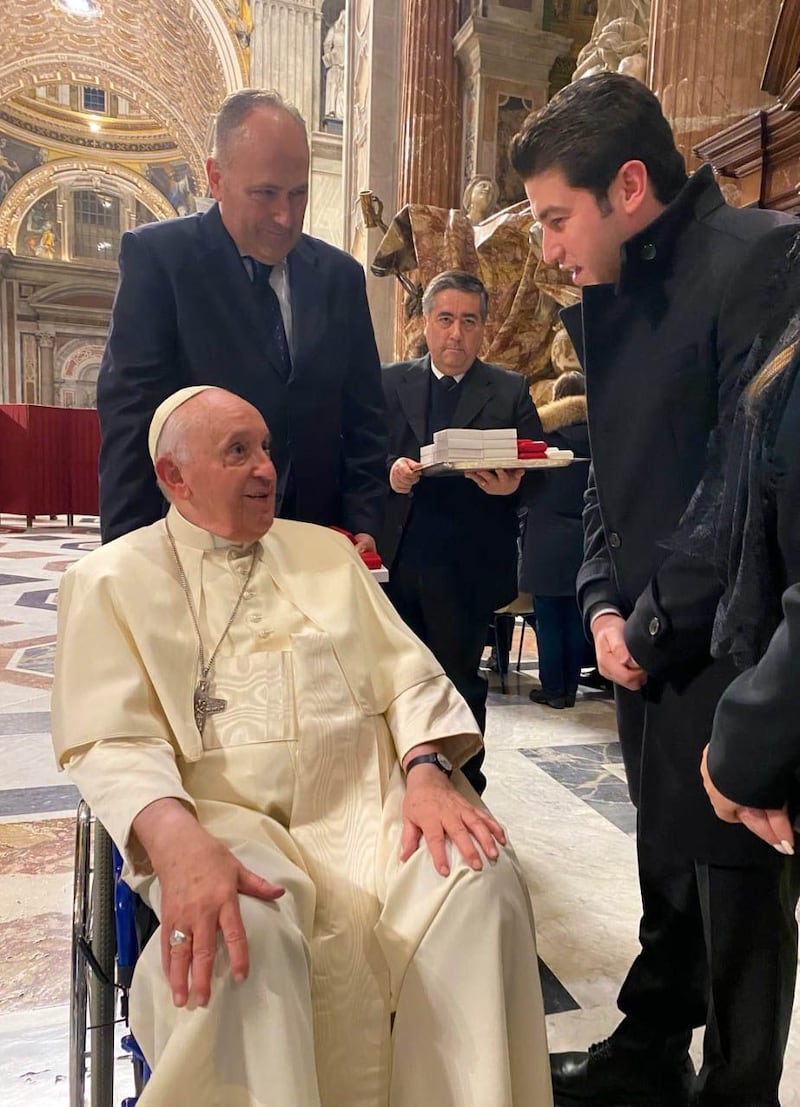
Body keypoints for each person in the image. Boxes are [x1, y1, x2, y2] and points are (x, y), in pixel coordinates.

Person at [52, 385, 553, 1107]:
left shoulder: (325, 552)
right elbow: (111, 737)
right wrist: (174, 838)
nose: (265, 469)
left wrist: (426, 768)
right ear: (174, 477)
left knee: (480, 883)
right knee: (238, 934)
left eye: (265, 449)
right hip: (221, 822)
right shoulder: (106, 581)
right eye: (237, 452)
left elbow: (406, 676)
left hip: (371, 805)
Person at [510, 71, 796, 1106]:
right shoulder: (607, 285)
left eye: (553, 218)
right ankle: (646, 1053)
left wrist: (650, 614)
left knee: (734, 895)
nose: (545, 248)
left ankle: (736, 1086)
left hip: (726, 640)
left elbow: (740, 481)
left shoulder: (757, 259)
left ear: (627, 186)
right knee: (664, 863)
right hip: (640, 635)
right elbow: (607, 473)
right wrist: (594, 601)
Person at [97, 88, 386, 551]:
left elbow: (366, 418)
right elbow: (132, 420)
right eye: (266, 193)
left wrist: (366, 521)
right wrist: (130, 554)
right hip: (199, 542)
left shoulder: (340, 278)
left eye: (298, 194)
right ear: (216, 177)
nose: (285, 216)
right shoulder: (161, 260)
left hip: (318, 543)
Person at [379, 270, 543, 796]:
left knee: (458, 681)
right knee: (397, 681)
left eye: (468, 321)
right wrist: (390, 472)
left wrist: (508, 492)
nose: (456, 334)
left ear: (483, 329)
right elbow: (359, 456)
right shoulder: (390, 382)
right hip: (398, 560)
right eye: (445, 319)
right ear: (425, 324)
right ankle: (401, 786)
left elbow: (537, 474)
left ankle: (466, 786)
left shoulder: (509, 390)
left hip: (468, 563)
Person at [520, 370, 590, 710]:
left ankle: (552, 688)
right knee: (575, 617)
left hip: (546, 536)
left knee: (547, 617)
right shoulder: (600, 437)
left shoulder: (546, 438)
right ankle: (570, 689)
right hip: (584, 535)